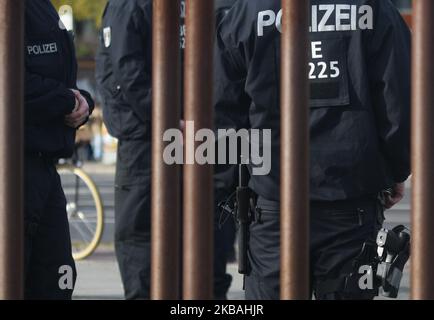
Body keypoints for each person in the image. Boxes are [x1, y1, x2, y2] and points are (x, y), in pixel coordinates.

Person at [214, 0, 411, 300]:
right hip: (350, 203)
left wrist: (227, 187)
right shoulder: (373, 9)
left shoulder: (247, 11)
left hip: (273, 204)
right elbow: (398, 100)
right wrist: (397, 170)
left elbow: (223, 111)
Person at [25, 0, 94, 299]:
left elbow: (58, 79)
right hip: (14, 167)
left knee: (59, 277)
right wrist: (66, 100)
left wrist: (82, 101)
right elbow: (11, 84)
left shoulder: (42, 7)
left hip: (44, 168)